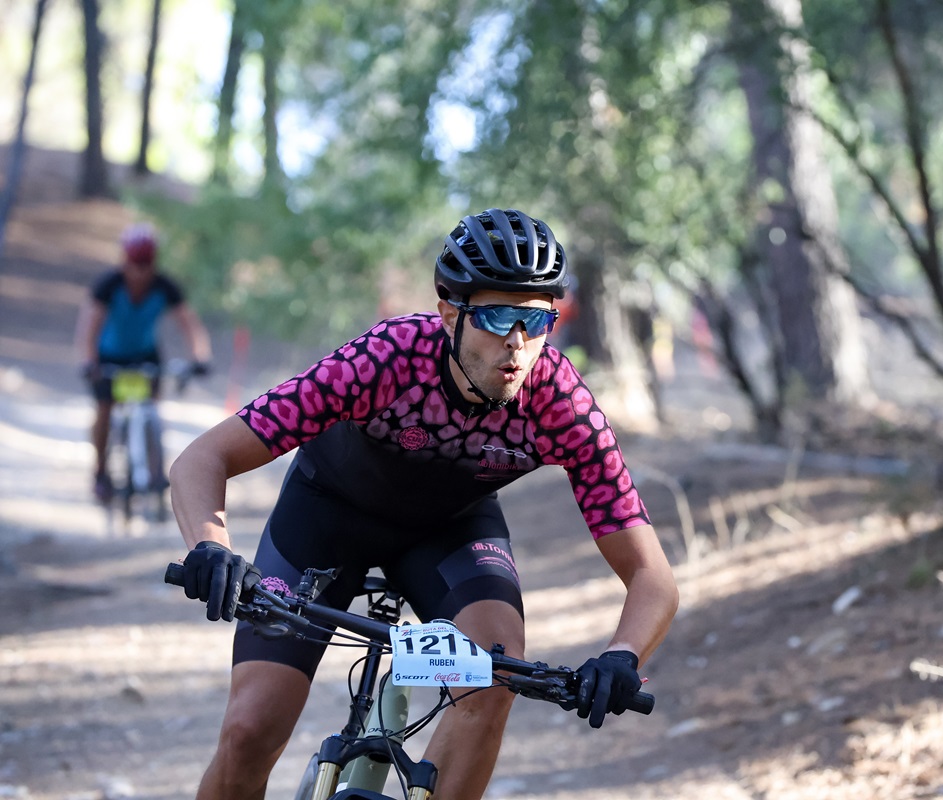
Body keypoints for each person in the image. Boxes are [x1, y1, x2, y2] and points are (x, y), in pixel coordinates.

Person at [169, 208, 680, 800]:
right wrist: (210, 547)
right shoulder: (386, 359)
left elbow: (652, 575)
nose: (516, 344)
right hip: (325, 521)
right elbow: (202, 459)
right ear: (448, 314)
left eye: (537, 320)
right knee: (252, 728)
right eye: (495, 316)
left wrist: (622, 654)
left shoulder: (558, 402)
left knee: (492, 677)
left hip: (448, 535)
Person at [75, 222, 212, 502]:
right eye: (135, 263)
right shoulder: (108, 285)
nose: (140, 271)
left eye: (146, 263)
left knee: (152, 410)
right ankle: (100, 471)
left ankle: (154, 469)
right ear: (125, 260)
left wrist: (200, 357)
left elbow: (190, 325)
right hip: (109, 357)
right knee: (104, 409)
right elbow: (88, 328)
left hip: (145, 357)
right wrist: (89, 362)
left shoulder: (164, 286)